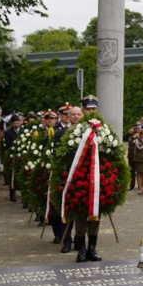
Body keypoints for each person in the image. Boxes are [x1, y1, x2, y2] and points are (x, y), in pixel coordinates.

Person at [72, 95, 102, 262]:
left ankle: (92, 248)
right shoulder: (76, 130)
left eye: (94, 109)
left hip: (97, 179)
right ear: (83, 110)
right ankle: (81, 249)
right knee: (80, 215)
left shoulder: (102, 129)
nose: (91, 111)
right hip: (80, 179)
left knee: (95, 214)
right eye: (88, 109)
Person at [53, 105, 83, 253]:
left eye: (78, 114)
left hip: (83, 176)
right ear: (68, 117)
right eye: (73, 114)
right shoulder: (60, 134)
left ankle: (80, 240)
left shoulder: (88, 133)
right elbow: (56, 156)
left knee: (82, 211)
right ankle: (66, 240)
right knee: (66, 210)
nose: (76, 117)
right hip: (66, 177)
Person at [2, 113, 23, 202]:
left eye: (17, 123)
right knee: (12, 175)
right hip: (12, 155)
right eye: (14, 123)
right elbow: (7, 145)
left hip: (22, 155)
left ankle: (23, 194)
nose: (16, 125)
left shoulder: (23, 131)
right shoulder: (8, 132)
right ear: (11, 124)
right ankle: (12, 194)